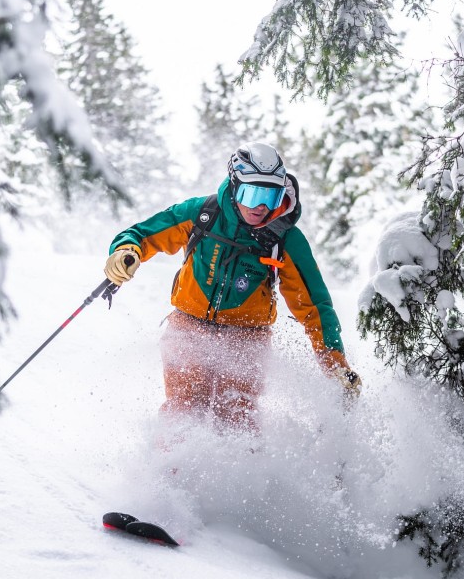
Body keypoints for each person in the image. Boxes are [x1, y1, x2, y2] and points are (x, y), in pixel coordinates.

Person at [104, 143, 361, 433]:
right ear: (235, 186)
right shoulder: (203, 214)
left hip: (247, 338)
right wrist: (127, 251)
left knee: (238, 416)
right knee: (183, 410)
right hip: (188, 328)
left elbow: (315, 306)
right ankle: (171, 470)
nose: (260, 206)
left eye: (270, 196)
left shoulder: (285, 239)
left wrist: (335, 362)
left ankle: (239, 474)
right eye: (252, 193)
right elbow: (143, 234)